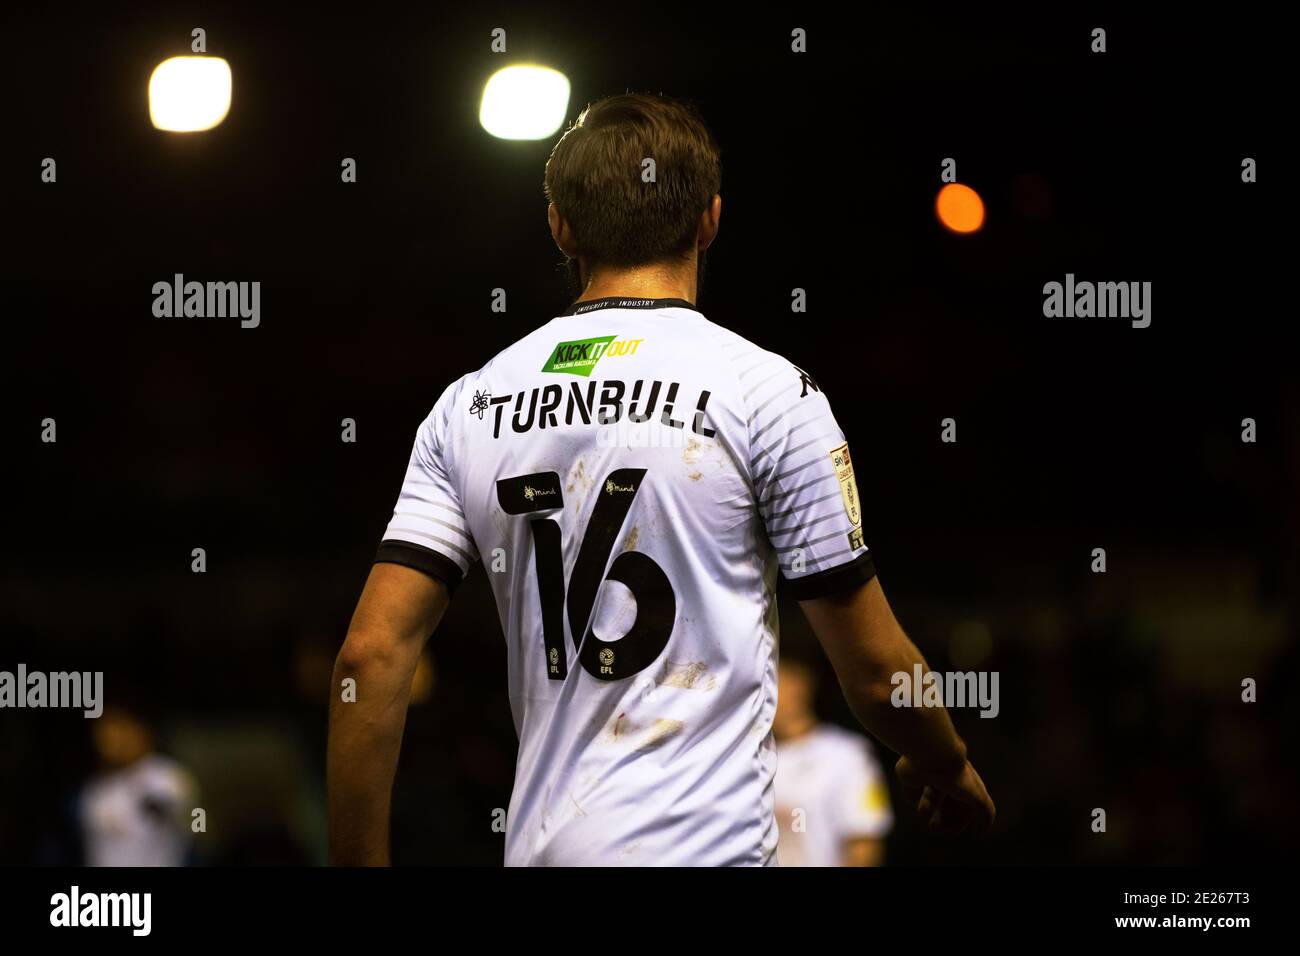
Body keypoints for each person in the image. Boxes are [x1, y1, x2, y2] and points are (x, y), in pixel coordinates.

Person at [328, 92, 994, 866]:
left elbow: (367, 658)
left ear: (561, 226)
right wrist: (945, 763)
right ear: (710, 219)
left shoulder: (468, 405)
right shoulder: (769, 393)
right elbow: (879, 677)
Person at [774, 657, 892, 866]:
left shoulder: (846, 753)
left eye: (775, 683)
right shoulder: (750, 758)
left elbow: (864, 838)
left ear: (800, 687)